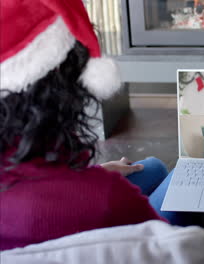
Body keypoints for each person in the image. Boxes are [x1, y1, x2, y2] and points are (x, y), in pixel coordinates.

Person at [0, 0, 180, 250]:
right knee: (182, 176)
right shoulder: (107, 197)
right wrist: (95, 182)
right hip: (111, 233)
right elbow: (168, 250)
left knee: (154, 168)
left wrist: (97, 172)